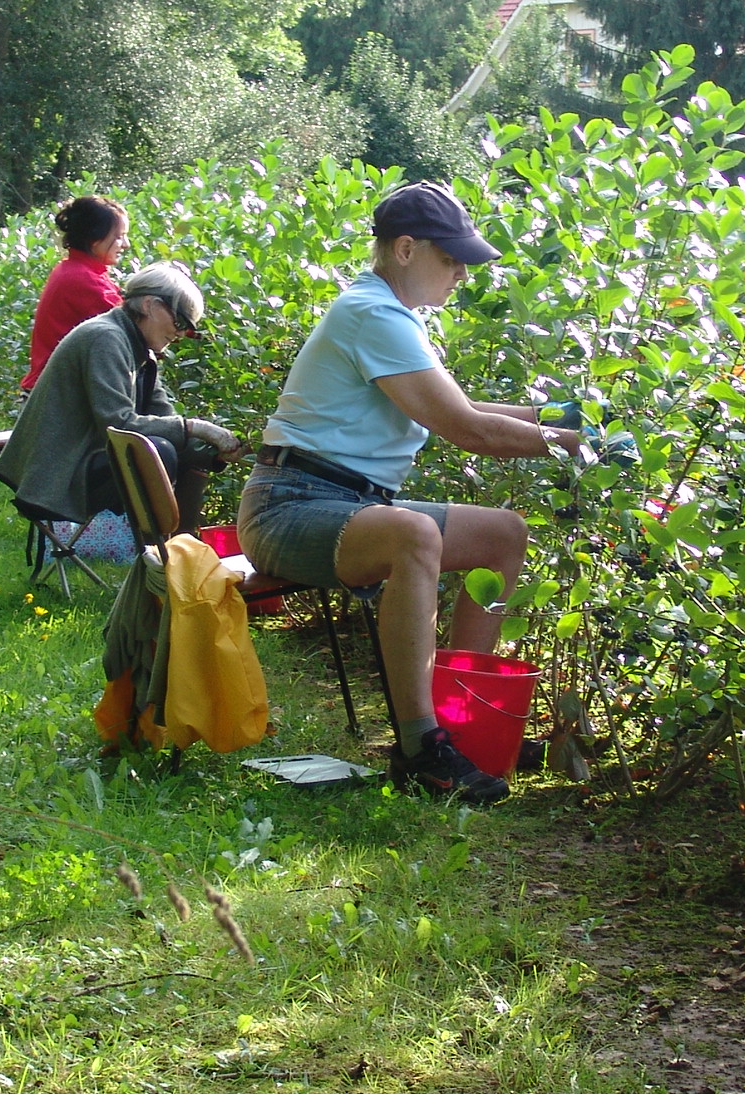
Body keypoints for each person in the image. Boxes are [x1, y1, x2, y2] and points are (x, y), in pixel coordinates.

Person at [237, 180, 584, 806]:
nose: (460, 275)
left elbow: (457, 405)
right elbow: (467, 428)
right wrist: (574, 446)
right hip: (290, 506)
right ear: (404, 250)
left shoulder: (391, 314)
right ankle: (422, 748)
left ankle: (460, 715)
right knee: (414, 533)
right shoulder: (372, 314)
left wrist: (564, 415)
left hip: (347, 504)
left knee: (504, 534)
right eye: (450, 260)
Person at [0, 263, 244, 534]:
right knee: (156, 451)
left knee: (189, 450)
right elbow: (119, 425)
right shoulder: (105, 338)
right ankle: (156, 555)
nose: (182, 333)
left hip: (80, 459)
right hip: (57, 474)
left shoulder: (136, 346)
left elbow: (166, 418)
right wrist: (198, 428)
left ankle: (182, 552)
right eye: (180, 321)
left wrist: (218, 450)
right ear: (150, 305)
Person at [23, 195, 129, 392]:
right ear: (95, 239)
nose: (126, 244)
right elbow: (134, 326)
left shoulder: (74, 269)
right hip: (56, 396)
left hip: (51, 387)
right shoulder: (84, 280)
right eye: (119, 236)